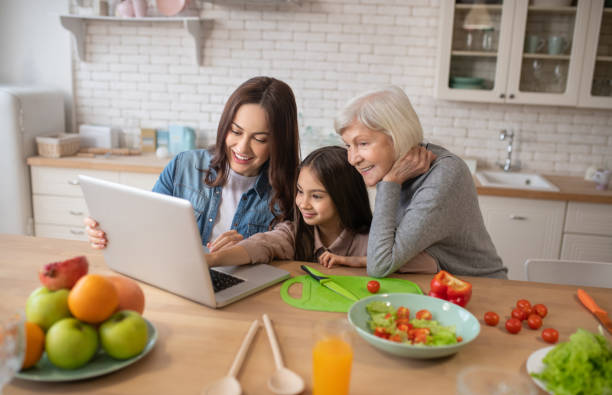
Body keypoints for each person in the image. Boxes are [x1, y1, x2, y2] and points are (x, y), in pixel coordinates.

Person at [85, 76, 300, 250]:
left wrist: (247, 251)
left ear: (279, 142)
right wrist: (110, 232)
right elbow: (147, 225)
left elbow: (294, 256)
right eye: (235, 131)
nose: (242, 147)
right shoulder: (184, 166)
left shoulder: (294, 189)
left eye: (259, 139)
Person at [335, 85, 508, 279]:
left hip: (479, 288)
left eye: (363, 143)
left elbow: (380, 265)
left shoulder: (445, 174)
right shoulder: (398, 169)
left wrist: (390, 183)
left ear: (397, 136)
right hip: (433, 283)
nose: (352, 159)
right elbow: (394, 253)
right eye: (348, 146)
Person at [204, 146, 437, 273]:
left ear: (343, 198)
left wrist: (358, 261)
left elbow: (428, 264)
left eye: (316, 196)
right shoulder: (293, 234)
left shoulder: (371, 241)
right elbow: (260, 245)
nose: (303, 203)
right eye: (300, 191)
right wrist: (213, 259)